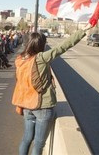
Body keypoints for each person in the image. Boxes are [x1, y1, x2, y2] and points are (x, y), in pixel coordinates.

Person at [13, 23, 92, 155]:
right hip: (42, 106)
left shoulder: (20, 59)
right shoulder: (41, 58)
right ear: (40, 45)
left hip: (26, 105)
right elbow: (64, 46)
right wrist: (82, 31)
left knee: (26, 138)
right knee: (38, 144)